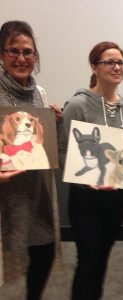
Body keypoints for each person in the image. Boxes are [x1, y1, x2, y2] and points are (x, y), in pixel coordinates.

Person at [58, 41, 123, 300]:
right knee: (88, 262)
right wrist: (84, 179)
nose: (116, 67)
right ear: (94, 67)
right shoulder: (77, 105)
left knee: (103, 257)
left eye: (120, 62)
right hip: (86, 198)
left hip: (117, 195)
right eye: (109, 62)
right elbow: (62, 150)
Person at [0, 20, 61, 300]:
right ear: (2, 54)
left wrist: (52, 123)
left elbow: (39, 141)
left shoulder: (40, 93)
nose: (21, 58)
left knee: (44, 251)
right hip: (3, 191)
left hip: (35, 189)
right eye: (14, 51)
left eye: (28, 52)